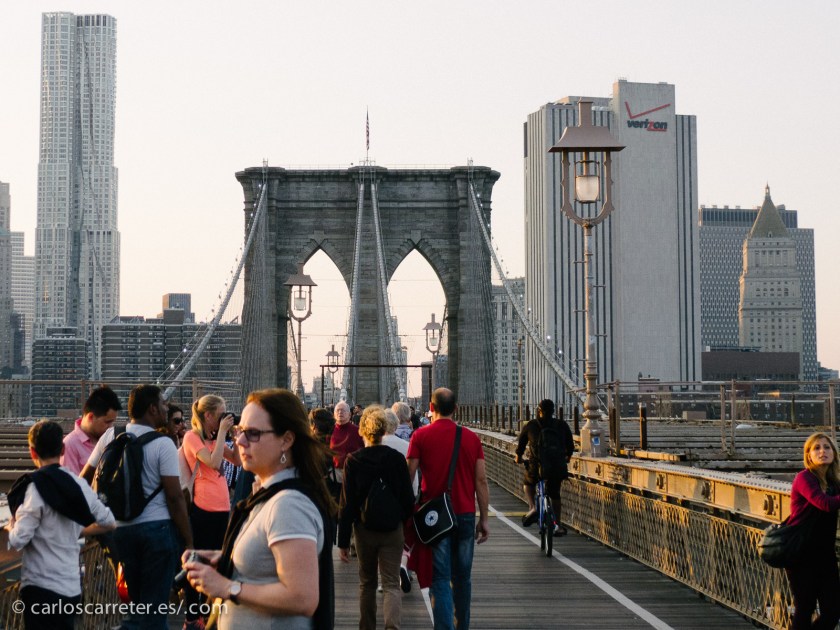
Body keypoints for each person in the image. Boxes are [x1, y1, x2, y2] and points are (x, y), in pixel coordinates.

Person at [183, 388, 336, 629]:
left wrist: (226, 587)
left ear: (286, 440)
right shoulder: (267, 496)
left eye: (252, 434)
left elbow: (302, 597)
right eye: (240, 431)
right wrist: (226, 559)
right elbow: (268, 564)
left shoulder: (289, 505)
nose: (240, 441)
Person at [81, 384, 193, 630]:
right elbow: (175, 498)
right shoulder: (164, 444)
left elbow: (84, 479)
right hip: (156, 532)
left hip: (119, 532)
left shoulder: (111, 435)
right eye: (163, 404)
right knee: (153, 611)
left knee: (138, 605)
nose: (166, 408)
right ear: (153, 409)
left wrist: (82, 517)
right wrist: (189, 540)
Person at [6, 420, 116, 630]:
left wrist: (11, 526)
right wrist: (77, 530)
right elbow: (109, 521)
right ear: (63, 449)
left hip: (40, 588)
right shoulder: (78, 484)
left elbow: (19, 539)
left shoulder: (34, 489)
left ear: (32, 452)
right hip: (71, 587)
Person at [407, 388, 490, 630]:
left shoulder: (420, 437)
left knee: (440, 578)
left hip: (435, 518)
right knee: (462, 578)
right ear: (456, 409)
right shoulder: (471, 438)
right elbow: (481, 481)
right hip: (464, 514)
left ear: (431, 408)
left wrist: (408, 511)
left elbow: (408, 475)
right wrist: (484, 518)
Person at [338, 406, 414, 630]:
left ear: (362, 431)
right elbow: (408, 499)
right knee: (391, 583)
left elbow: (347, 504)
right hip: (392, 530)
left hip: (364, 530)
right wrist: (399, 519)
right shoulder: (397, 459)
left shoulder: (353, 461)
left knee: (367, 584)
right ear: (383, 432)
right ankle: (392, 627)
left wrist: (343, 541)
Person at [181, 394, 241, 629]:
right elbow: (214, 463)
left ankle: (207, 614)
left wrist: (234, 437)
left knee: (218, 562)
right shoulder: (192, 437)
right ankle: (192, 615)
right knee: (199, 561)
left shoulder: (212, 438)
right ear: (208, 415)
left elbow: (235, 461)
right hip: (203, 509)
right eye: (221, 414)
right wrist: (223, 435)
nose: (225, 417)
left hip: (222, 509)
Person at [784, 432, 840, 630]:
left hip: (826, 556)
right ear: (808, 455)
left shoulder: (834, 483)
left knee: (833, 611)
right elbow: (825, 504)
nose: (822, 451)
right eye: (816, 448)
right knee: (804, 610)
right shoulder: (804, 478)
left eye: (827, 447)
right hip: (802, 555)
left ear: (834, 452)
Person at [514, 399, 574, 534]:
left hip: (537, 465)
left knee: (528, 483)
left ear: (539, 411)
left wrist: (518, 457)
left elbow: (521, 445)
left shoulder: (532, 425)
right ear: (553, 411)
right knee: (555, 494)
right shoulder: (561, 425)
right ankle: (557, 524)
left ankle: (533, 507)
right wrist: (567, 458)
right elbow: (570, 446)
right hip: (556, 466)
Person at [61, 385, 122, 474]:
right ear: (91, 417)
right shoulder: (70, 445)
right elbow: (70, 484)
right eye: (107, 422)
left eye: (112, 422)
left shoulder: (110, 439)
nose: (110, 427)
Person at [330, 400, 364, 477]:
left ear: (349, 414)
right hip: (335, 473)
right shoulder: (329, 430)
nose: (340, 412)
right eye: (337, 410)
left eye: (343, 410)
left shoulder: (358, 431)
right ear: (334, 414)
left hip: (354, 472)